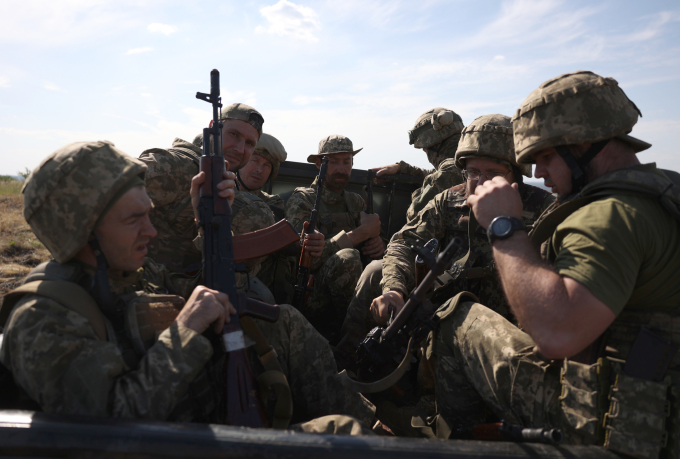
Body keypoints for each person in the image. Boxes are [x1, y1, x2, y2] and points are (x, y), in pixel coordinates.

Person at [0, 141, 375, 431]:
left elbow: (208, 288)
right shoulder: (42, 319)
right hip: (180, 439)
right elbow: (112, 430)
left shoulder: (131, 274)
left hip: (206, 410)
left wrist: (206, 221)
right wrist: (184, 332)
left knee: (284, 321)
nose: (150, 230)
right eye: (133, 219)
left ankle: (375, 425)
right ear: (81, 232)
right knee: (342, 435)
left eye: (149, 213)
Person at [432, 71, 680, 458]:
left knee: (456, 318)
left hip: (608, 420)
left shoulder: (606, 217)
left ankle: (458, 445)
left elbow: (556, 335)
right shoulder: (663, 193)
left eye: (545, 156)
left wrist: (504, 226)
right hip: (658, 395)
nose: (538, 173)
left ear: (581, 144)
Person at [335, 114, 554, 374]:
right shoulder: (448, 201)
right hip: (440, 310)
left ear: (515, 172)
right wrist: (394, 290)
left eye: (493, 173)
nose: (481, 182)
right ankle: (348, 368)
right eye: (473, 172)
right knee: (375, 273)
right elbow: (404, 243)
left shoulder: (543, 209)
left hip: (506, 324)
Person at [139, 103, 275, 276]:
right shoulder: (177, 165)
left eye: (249, 143)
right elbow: (107, 184)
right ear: (213, 128)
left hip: (190, 286)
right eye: (234, 134)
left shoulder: (229, 180)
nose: (240, 149)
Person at [284, 135, 384, 342]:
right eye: (334, 162)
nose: (341, 168)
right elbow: (303, 258)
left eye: (346, 162)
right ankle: (353, 344)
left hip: (353, 293)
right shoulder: (303, 199)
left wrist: (378, 244)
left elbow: (371, 244)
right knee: (347, 258)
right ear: (319, 164)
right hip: (312, 294)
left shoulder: (355, 201)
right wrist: (360, 234)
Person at [372, 108, 465, 221]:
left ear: (435, 146)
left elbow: (414, 214)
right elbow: (435, 173)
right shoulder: (470, 162)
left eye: (425, 151)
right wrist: (403, 168)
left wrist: (419, 192)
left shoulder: (451, 170)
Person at [236, 132, 287, 220]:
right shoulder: (220, 191)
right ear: (241, 162)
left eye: (266, 165)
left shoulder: (273, 202)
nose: (259, 170)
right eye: (255, 161)